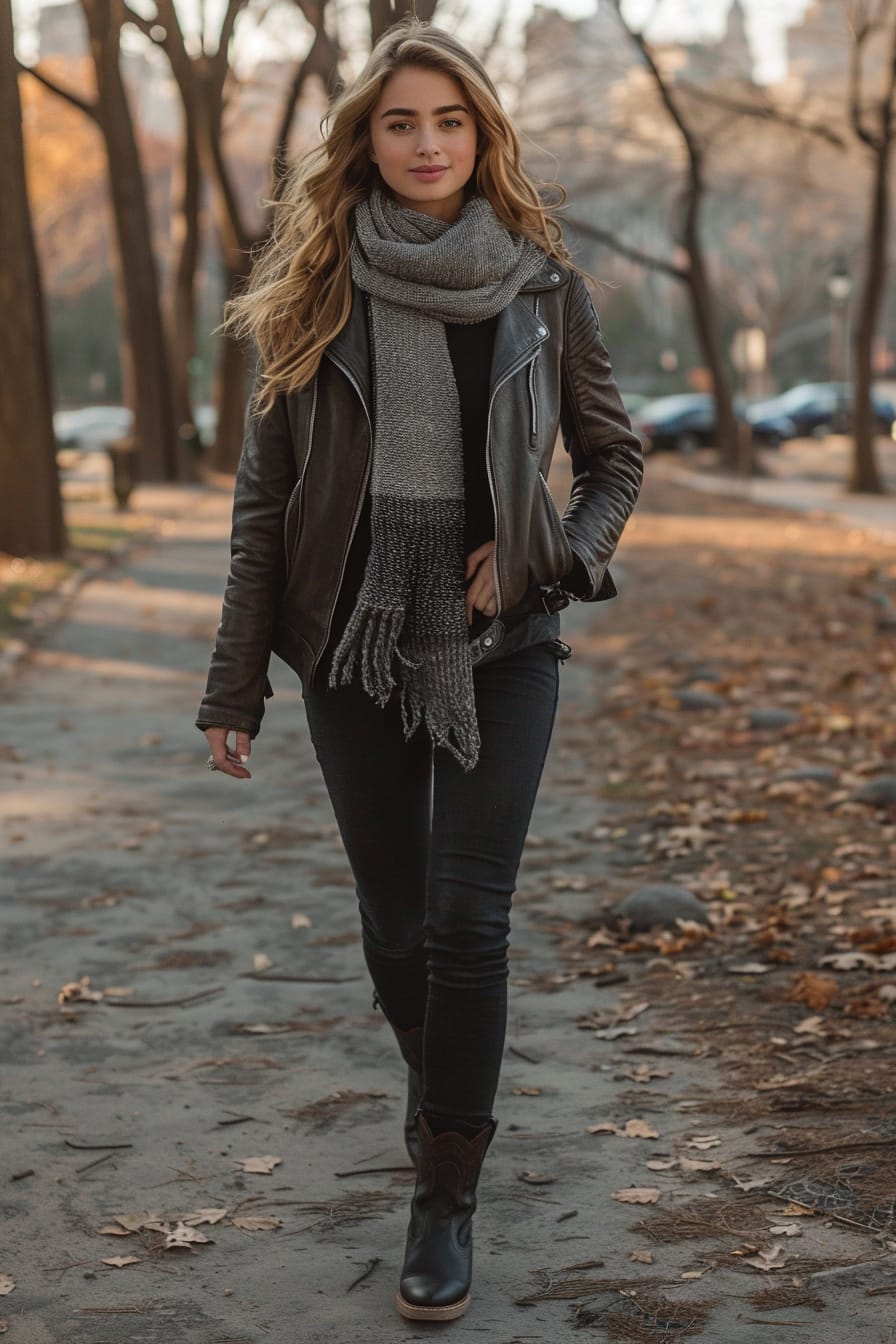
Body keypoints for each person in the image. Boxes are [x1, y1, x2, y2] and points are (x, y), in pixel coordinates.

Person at [197, 18, 642, 1323]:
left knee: (466, 919)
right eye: (402, 121)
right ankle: (437, 1078)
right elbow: (263, 508)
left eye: (450, 120)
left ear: (483, 134)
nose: (428, 143)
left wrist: (545, 559)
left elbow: (615, 461)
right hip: (351, 648)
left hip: (505, 650)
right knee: (398, 930)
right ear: (367, 139)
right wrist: (235, 686)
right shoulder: (315, 289)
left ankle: (445, 1188)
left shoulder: (543, 285)